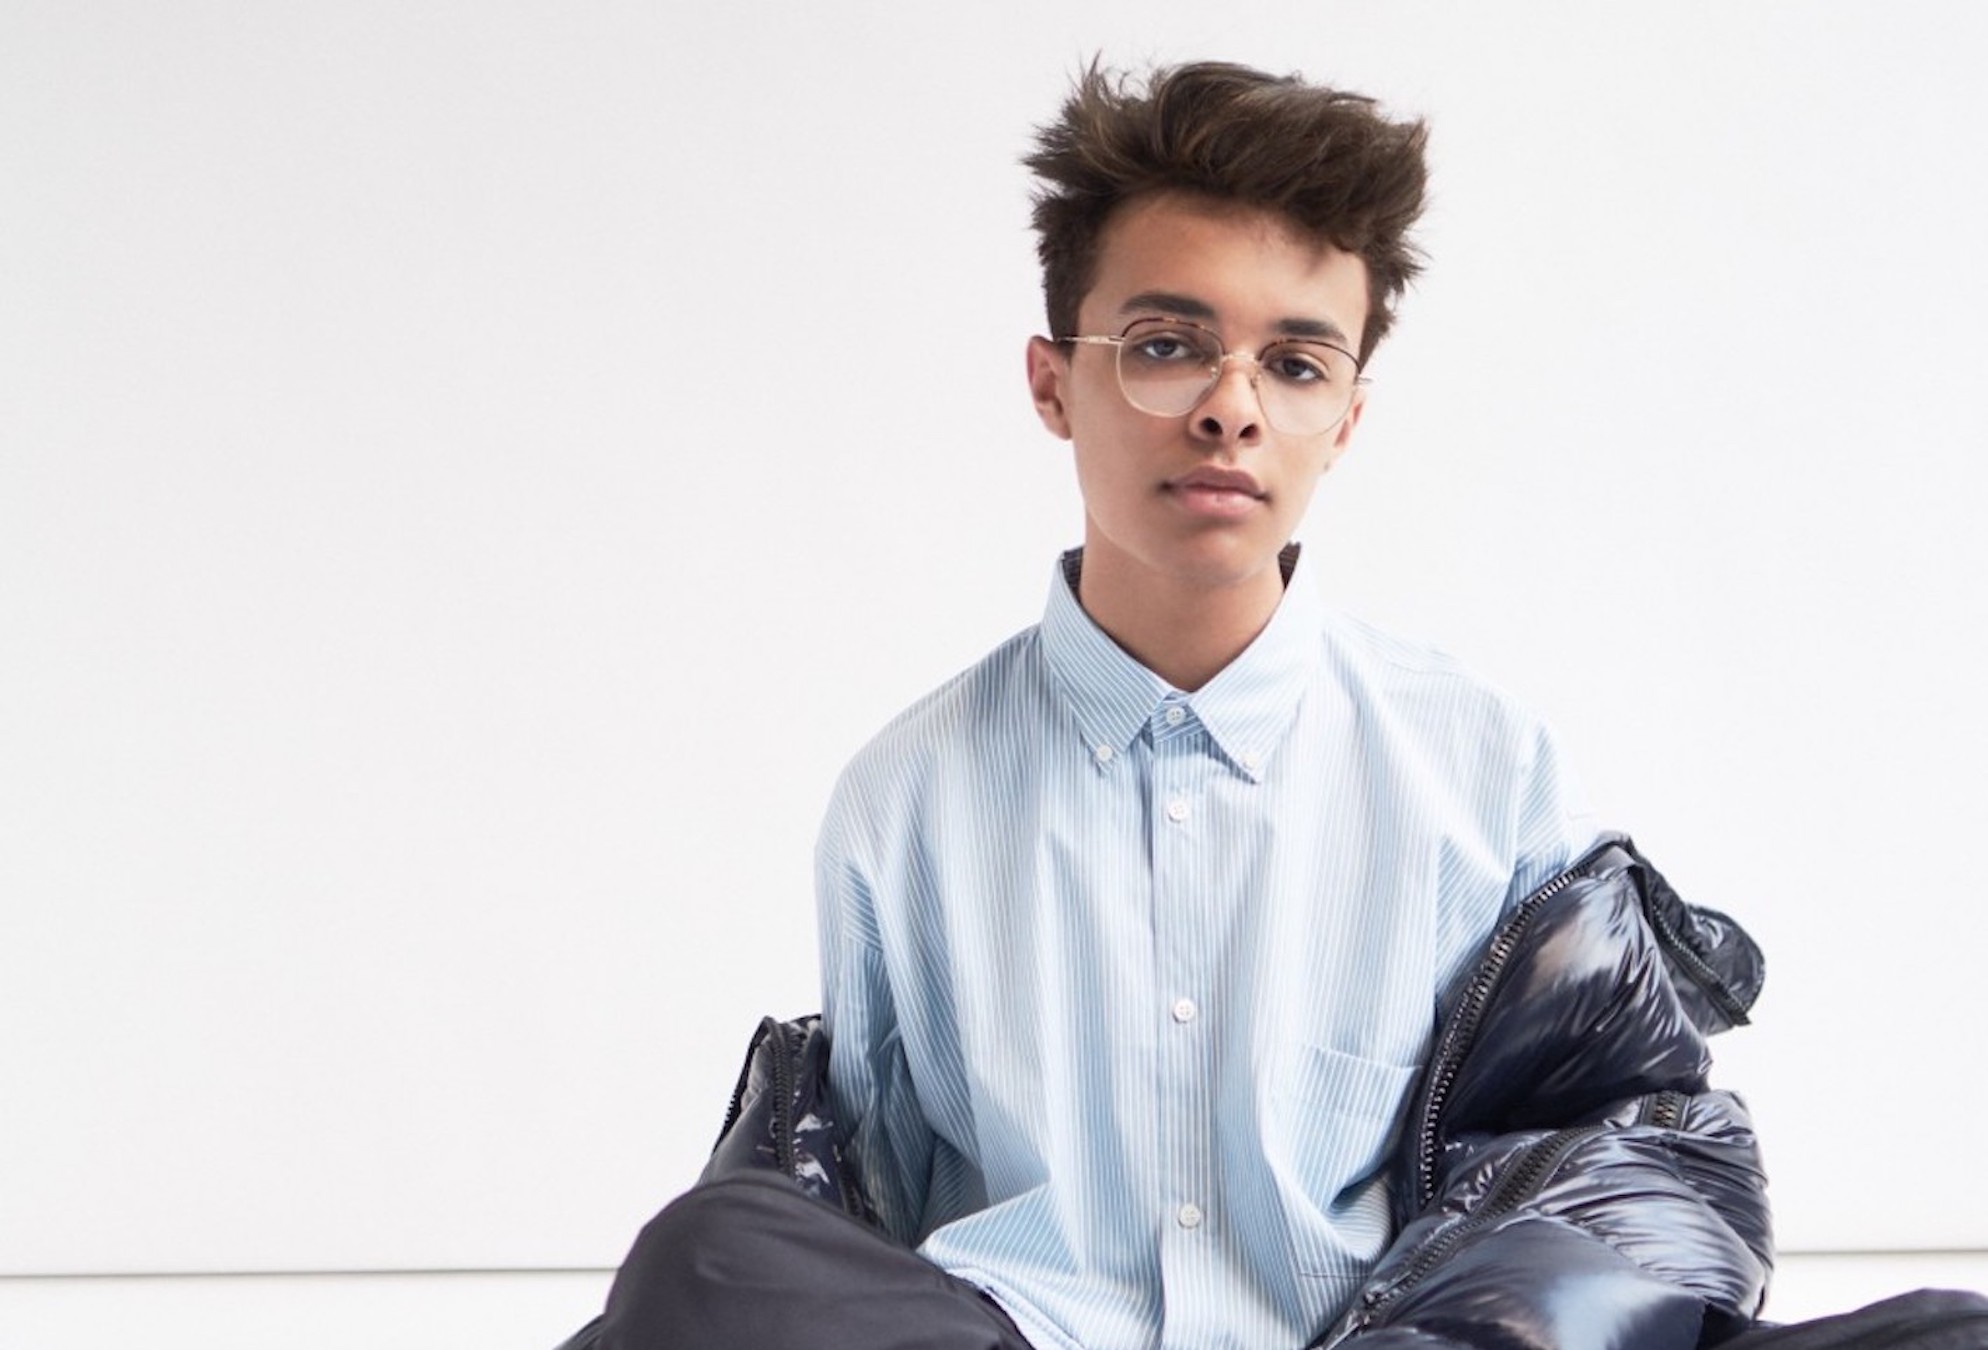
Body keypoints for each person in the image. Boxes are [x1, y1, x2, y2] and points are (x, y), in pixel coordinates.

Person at [577, 60, 1987, 1350]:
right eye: (1166, 344)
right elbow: (865, 1213)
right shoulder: (908, 795)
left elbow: (1606, 1149)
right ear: (1053, 383)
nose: (1231, 409)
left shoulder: (1481, 762)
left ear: (1347, 418)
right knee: (712, 1255)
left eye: (1297, 364)